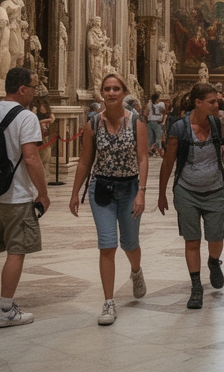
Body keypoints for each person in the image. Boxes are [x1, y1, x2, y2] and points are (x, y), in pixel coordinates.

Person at [0, 67, 49, 327]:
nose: (36, 93)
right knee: (16, 250)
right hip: (16, 196)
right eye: (34, 87)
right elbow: (31, 157)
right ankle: (5, 309)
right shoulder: (26, 117)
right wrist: (43, 193)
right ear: (22, 89)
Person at [70, 73, 149, 326]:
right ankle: (108, 302)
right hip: (101, 189)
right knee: (107, 245)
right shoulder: (93, 124)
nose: (112, 93)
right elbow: (84, 160)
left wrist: (142, 191)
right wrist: (74, 192)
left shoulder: (136, 122)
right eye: (107, 89)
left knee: (130, 243)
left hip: (129, 188)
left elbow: (143, 158)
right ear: (101, 93)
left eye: (116, 88)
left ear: (124, 92)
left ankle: (136, 271)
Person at [158, 82, 224, 309]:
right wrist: (162, 193)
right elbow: (168, 163)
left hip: (214, 190)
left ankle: (213, 262)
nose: (216, 104)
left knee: (216, 237)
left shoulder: (217, 123)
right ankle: (196, 287)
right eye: (212, 101)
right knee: (192, 240)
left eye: (217, 101)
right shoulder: (179, 129)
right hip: (186, 191)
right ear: (198, 103)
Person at [146, 93, 166, 157]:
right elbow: (163, 112)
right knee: (158, 138)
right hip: (157, 123)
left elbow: (146, 113)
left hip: (149, 122)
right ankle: (160, 152)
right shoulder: (161, 104)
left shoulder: (149, 104)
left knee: (150, 138)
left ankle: (148, 151)